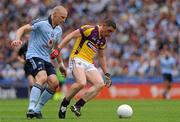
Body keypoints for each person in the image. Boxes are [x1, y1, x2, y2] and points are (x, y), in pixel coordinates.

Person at [51, 19, 116, 118]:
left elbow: (101, 57)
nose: (110, 34)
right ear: (104, 25)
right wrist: (58, 49)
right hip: (77, 58)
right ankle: (64, 104)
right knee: (81, 83)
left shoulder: (102, 41)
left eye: (112, 32)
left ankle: (78, 105)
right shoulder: (89, 29)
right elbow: (71, 36)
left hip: (89, 63)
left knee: (100, 84)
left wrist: (106, 74)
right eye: (109, 31)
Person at [11, 5, 68, 119]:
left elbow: (56, 49)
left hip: (46, 59)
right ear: (54, 14)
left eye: (65, 18)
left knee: (54, 83)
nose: (64, 20)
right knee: (42, 78)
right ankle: (31, 108)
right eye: (62, 17)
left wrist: (61, 64)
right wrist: (17, 39)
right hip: (34, 55)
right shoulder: (41, 23)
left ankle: (37, 110)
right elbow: (22, 29)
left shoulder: (58, 30)